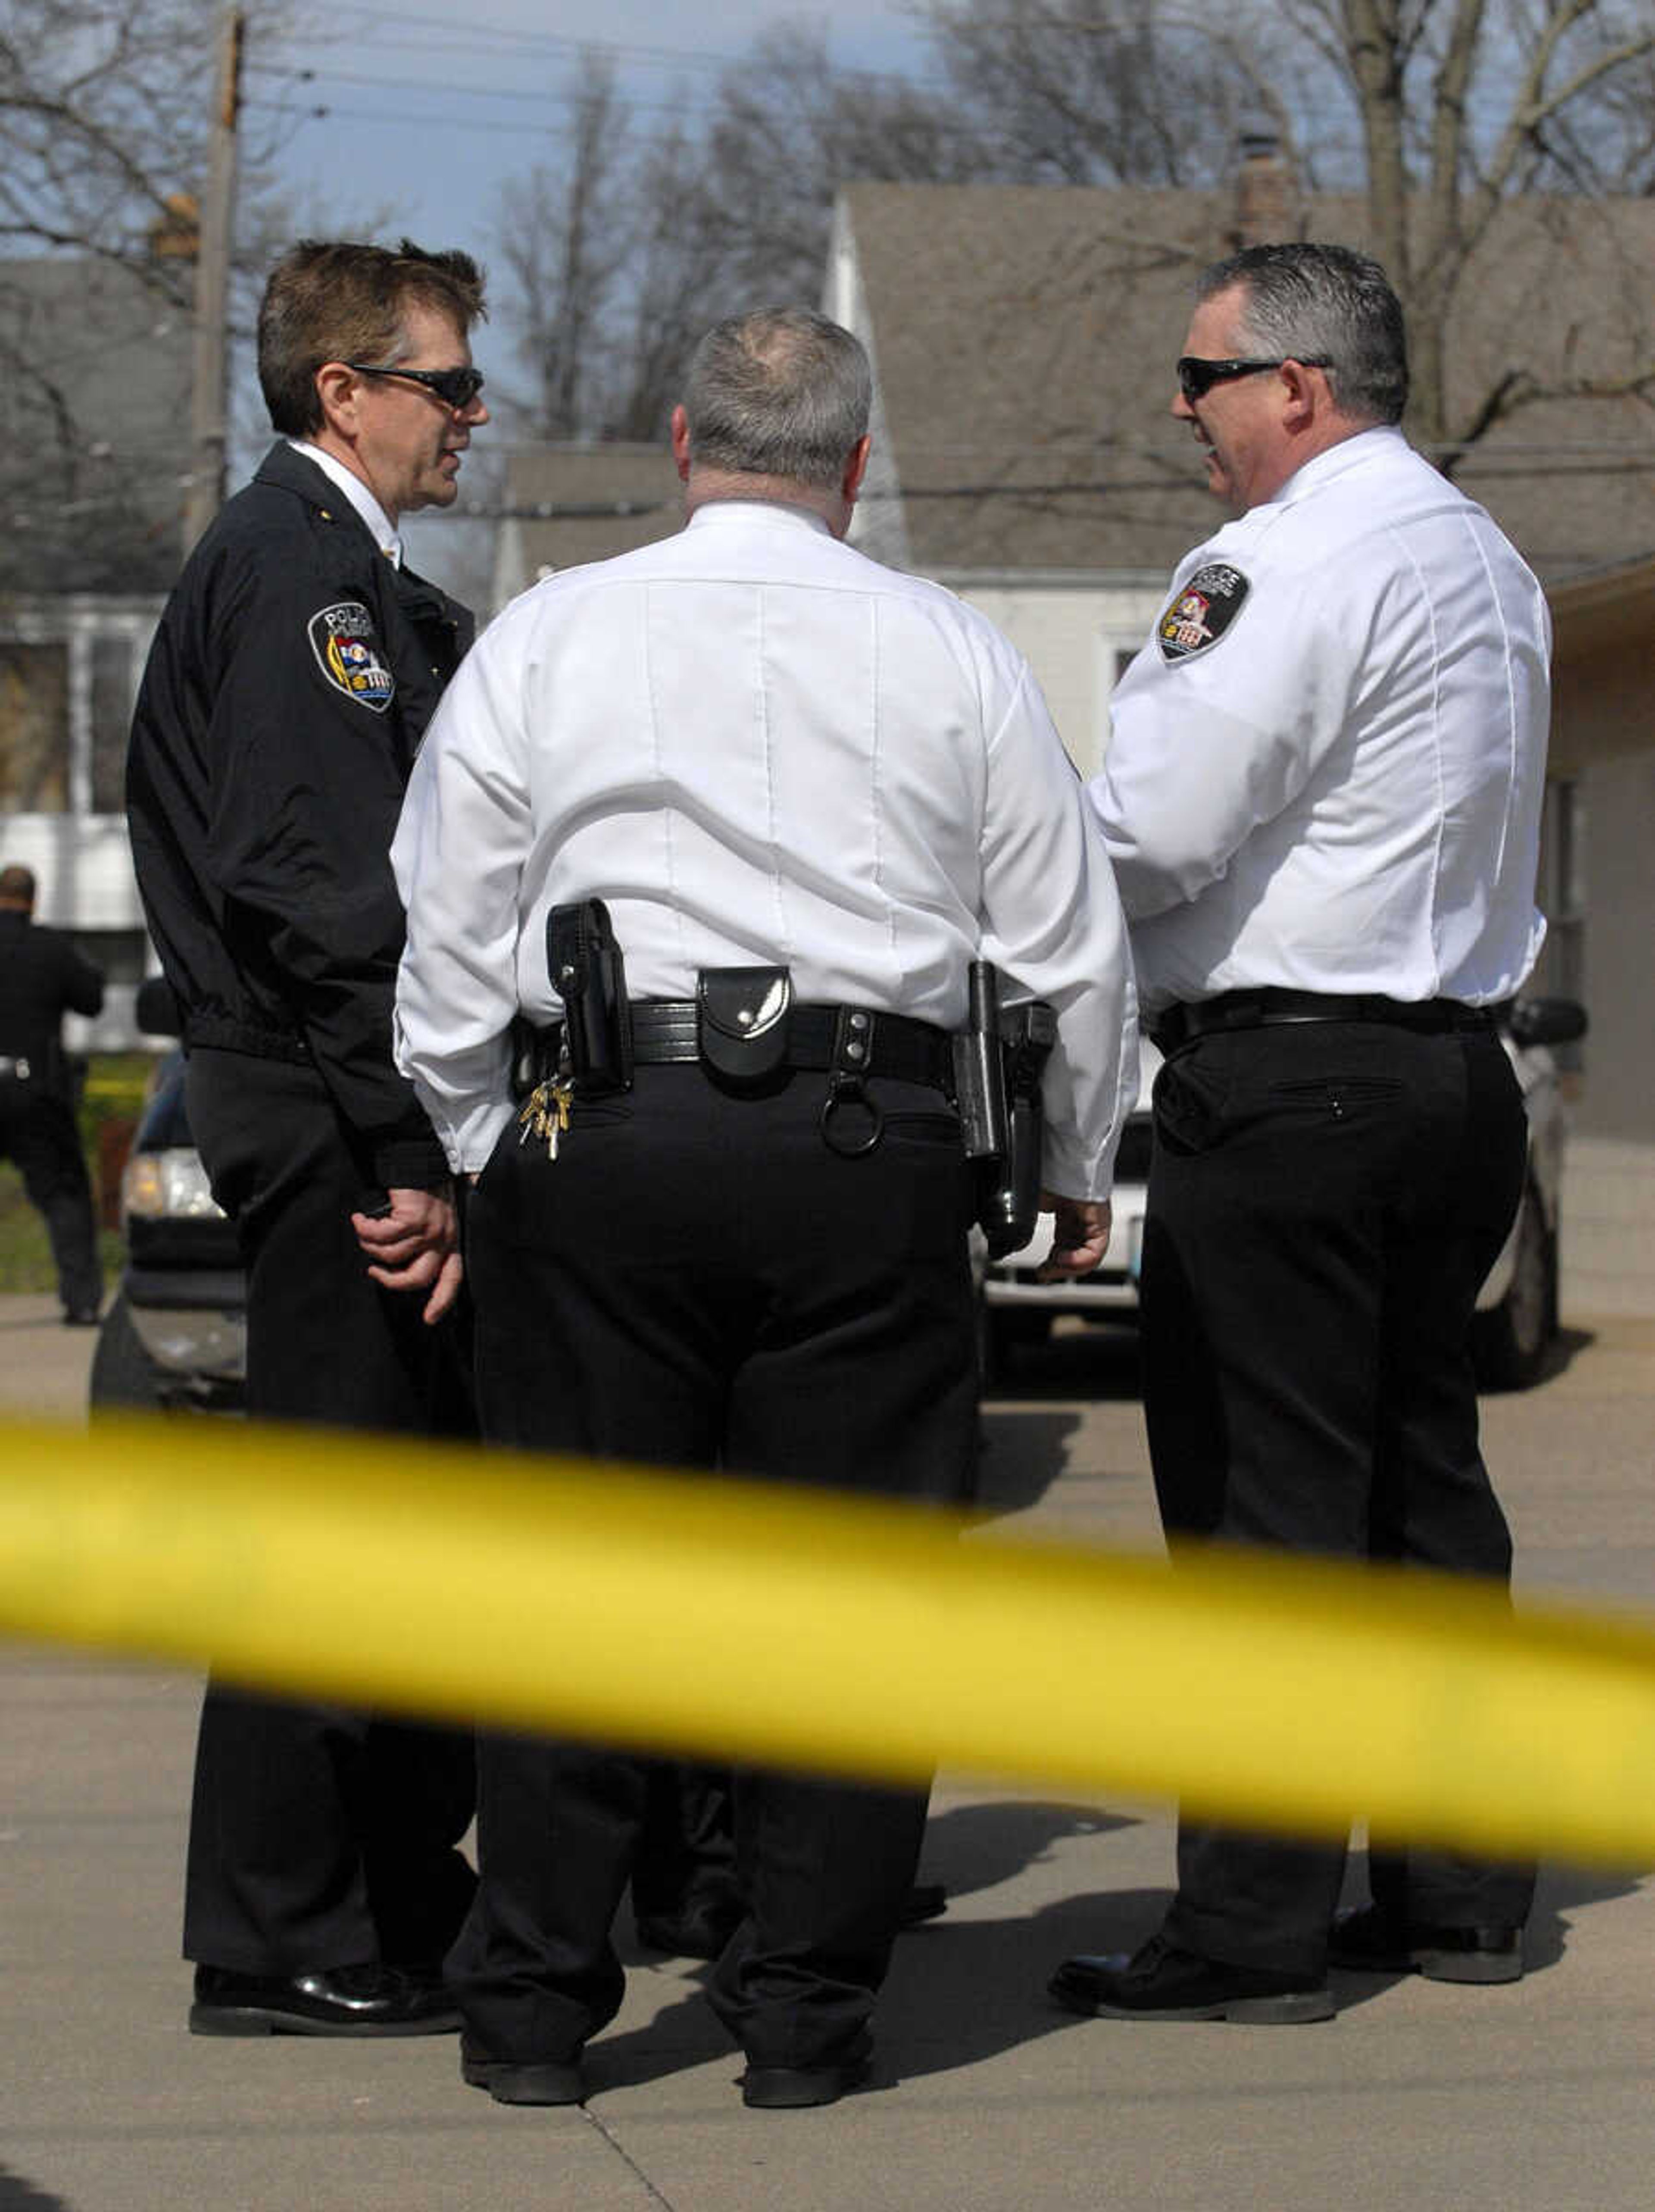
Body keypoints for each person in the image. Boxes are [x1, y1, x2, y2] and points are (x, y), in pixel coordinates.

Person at [393, 305, 1137, 2109]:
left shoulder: (549, 632)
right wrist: (1073, 1165)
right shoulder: (952, 648)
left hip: (603, 1127)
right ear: (857, 466)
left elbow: (444, 924)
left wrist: (489, 1141)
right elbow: (1068, 943)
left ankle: (535, 2020)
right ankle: (801, 2020)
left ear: (678, 441)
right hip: (864, 1152)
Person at [1050, 242, 1548, 2027]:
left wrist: (1039, 862)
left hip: (1291, 1081)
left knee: (1268, 1508)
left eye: (1200, 380)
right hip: (1452, 1077)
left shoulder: (1276, 557)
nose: (1183, 412)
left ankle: (1251, 1928)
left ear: (1299, 392)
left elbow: (1156, 827)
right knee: (1421, 1489)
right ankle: (1463, 1886)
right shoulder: (1484, 556)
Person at [126, 238, 490, 2038]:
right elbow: (320, 892)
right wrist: (412, 1146)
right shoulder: (299, 575)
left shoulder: (355, 578)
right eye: (448, 386)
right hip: (324, 1096)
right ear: (344, 387)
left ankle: (398, 1900)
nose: (471, 421)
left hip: (331, 1088)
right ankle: (280, 1932)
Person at [0, 864, 105, 1325]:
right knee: (65, 1195)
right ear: (33, 899)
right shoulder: (51, 948)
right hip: (35, 1095)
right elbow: (91, 1000)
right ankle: (81, 1301)